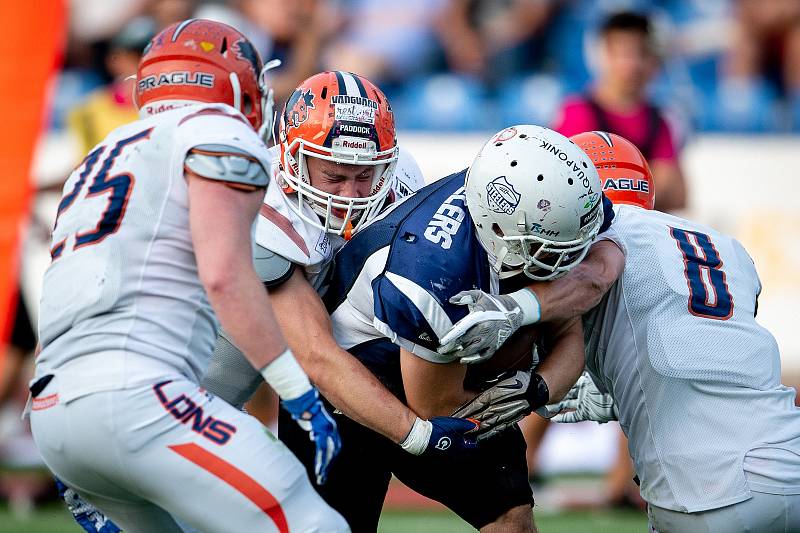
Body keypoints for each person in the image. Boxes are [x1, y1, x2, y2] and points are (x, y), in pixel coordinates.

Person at [29, 20, 348, 533]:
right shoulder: (216, 131)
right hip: (137, 400)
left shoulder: (101, 156)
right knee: (312, 524)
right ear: (236, 83)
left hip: (53, 410)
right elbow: (225, 276)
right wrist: (298, 394)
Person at [442, 132, 800, 533]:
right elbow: (700, 346)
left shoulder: (596, 241)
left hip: (707, 493)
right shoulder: (728, 248)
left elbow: (588, 288)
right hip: (789, 452)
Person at [278, 125, 606, 532]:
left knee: (512, 521)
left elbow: (590, 285)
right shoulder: (434, 274)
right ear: (499, 230)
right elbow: (436, 407)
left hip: (440, 364)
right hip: (353, 383)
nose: (566, 263)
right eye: (545, 248)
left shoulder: (540, 206)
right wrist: (537, 387)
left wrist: (539, 382)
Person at [199, 70, 481, 464]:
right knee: (199, 431)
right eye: (333, 175)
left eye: (364, 175)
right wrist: (418, 436)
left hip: (328, 338)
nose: (350, 194)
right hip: (213, 339)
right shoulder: (263, 209)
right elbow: (317, 356)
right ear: (293, 159)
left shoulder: (400, 176)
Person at [553, 11, 686, 213]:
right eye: (623, 54)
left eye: (641, 53)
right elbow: (562, 186)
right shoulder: (577, 112)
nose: (632, 65)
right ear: (603, 56)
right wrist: (642, 184)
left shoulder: (660, 120)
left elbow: (677, 194)